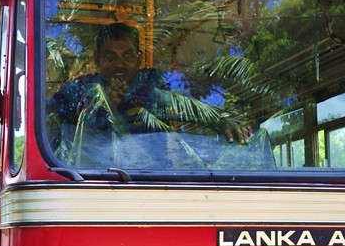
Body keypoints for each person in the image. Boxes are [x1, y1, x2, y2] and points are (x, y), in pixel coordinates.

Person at [47, 22, 252, 167]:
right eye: (110, 56)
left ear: (138, 59)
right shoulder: (80, 89)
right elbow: (47, 121)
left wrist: (222, 120)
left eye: (127, 56)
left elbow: (195, 101)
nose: (119, 64)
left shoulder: (155, 82)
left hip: (153, 179)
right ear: (97, 59)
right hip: (89, 182)